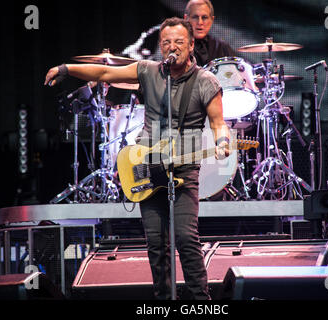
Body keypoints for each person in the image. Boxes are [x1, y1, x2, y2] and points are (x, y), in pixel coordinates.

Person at [44, 17, 230, 300]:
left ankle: (200, 300)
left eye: (179, 42)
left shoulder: (206, 81)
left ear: (191, 45)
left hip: (184, 167)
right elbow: (105, 73)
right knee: (156, 243)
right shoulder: (148, 71)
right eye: (166, 42)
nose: (172, 47)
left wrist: (223, 142)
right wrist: (66, 68)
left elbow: (219, 123)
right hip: (147, 165)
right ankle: (163, 300)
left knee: (185, 239)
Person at [184, 0, 236, 67]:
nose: (200, 22)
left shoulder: (222, 47)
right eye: (195, 17)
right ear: (186, 19)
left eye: (204, 17)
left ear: (212, 20)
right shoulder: (177, 47)